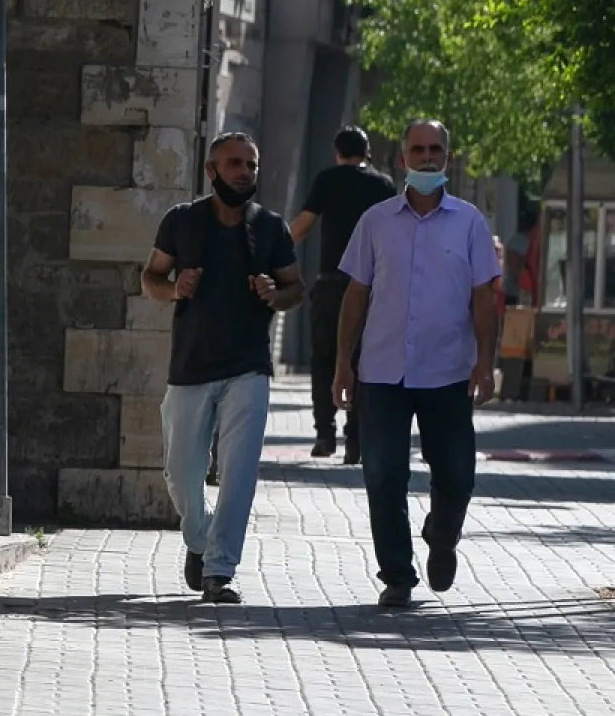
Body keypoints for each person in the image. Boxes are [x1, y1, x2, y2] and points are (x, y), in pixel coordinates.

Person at [332, 119, 500, 609]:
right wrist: (343, 363)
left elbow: (483, 300)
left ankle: (442, 536)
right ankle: (398, 575)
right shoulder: (376, 221)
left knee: (457, 475)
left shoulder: (469, 222)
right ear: (401, 158)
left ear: (447, 157)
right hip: (381, 371)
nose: (427, 158)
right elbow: (355, 295)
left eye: (436, 150)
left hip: (447, 371)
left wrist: (484, 364)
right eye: (418, 150)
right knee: (383, 474)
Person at [141, 132, 304, 603]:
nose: (244, 173)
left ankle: (219, 571)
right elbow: (149, 277)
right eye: (234, 164)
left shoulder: (271, 227)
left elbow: (298, 288)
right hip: (191, 366)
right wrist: (175, 288)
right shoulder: (182, 221)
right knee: (179, 472)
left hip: (248, 367)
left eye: (251, 166)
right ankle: (199, 537)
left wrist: (276, 293)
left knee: (239, 472)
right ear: (211, 170)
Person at [289, 125, 396, 464]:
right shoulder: (383, 185)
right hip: (371, 286)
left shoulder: (327, 180)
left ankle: (324, 434)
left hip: (331, 282)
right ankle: (356, 441)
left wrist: (271, 248)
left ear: (337, 153)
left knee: (323, 359)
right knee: (365, 363)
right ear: (367, 153)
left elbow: (303, 225)